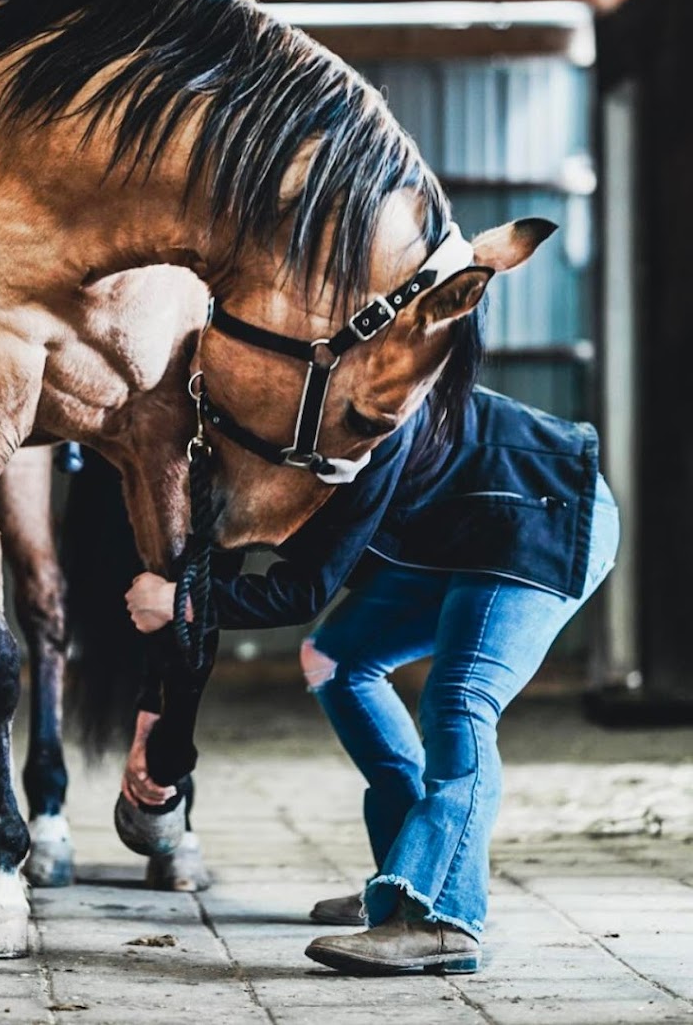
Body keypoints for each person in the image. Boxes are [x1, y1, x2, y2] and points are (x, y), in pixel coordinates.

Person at [125, 385, 619, 978]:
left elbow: (304, 589)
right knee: (336, 660)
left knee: (460, 699)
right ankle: (400, 885)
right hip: (461, 533)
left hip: (544, 511)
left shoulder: (365, 429)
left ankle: (440, 917)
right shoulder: (273, 425)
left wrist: (182, 601)